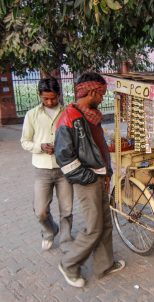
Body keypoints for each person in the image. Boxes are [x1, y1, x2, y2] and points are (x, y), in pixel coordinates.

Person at [54, 72, 125, 288]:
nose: (103, 98)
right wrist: (89, 177)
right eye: (101, 94)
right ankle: (69, 263)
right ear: (92, 92)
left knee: (104, 223)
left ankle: (104, 265)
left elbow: (98, 148)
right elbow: (64, 158)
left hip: (99, 176)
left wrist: (105, 173)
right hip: (88, 180)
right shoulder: (69, 118)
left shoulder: (90, 115)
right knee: (94, 228)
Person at [21, 77, 73, 251]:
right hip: (42, 169)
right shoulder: (32, 115)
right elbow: (24, 141)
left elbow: (74, 138)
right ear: (40, 96)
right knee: (40, 210)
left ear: (59, 94)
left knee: (66, 209)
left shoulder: (67, 112)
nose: (50, 102)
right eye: (45, 99)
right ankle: (50, 231)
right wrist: (40, 147)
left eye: (53, 98)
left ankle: (66, 239)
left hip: (65, 168)